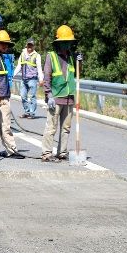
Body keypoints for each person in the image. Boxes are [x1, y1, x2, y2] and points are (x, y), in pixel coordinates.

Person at [41, 25, 80, 163]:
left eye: (69, 42)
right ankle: (46, 153)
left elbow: (75, 74)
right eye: (65, 42)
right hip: (55, 98)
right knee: (51, 127)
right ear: (59, 43)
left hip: (69, 98)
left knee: (66, 128)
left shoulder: (71, 57)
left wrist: (80, 62)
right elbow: (47, 77)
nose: (68, 44)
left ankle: (62, 152)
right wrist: (49, 94)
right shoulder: (51, 57)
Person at [0, 30, 25, 159]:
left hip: (0, 95)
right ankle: (11, 150)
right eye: (2, 43)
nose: (5, 46)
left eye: (6, 44)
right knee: (4, 124)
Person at [13, 37, 44, 119]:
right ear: (26, 45)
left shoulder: (37, 56)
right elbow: (19, 66)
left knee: (32, 96)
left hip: (32, 79)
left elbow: (39, 68)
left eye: (31, 45)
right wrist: (12, 75)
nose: (30, 47)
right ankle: (27, 111)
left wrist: (41, 79)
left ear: (34, 46)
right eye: (29, 45)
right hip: (24, 79)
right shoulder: (23, 54)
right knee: (23, 96)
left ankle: (32, 113)